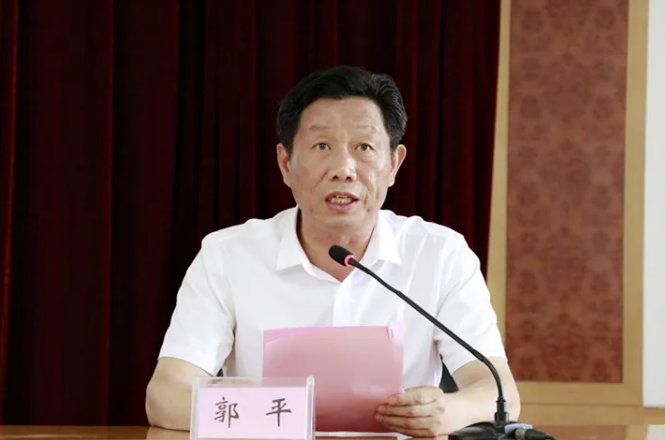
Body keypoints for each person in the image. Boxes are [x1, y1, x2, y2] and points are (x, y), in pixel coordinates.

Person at [145, 65, 520, 437]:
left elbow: (498, 393)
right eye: (322, 146)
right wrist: (281, 414)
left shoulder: (440, 254)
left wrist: (447, 411)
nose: (343, 169)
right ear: (286, 163)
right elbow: (166, 396)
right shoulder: (228, 256)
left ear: (393, 164)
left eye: (364, 147)